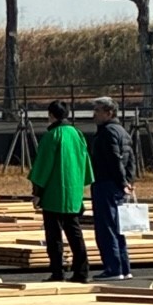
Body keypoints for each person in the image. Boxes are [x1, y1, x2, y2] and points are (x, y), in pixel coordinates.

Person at [28, 101, 92, 283]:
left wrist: (37, 192)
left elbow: (43, 166)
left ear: (51, 115)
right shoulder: (77, 134)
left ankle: (57, 272)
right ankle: (82, 271)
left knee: (54, 235)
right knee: (75, 232)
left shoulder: (52, 136)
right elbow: (85, 162)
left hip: (53, 193)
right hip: (73, 191)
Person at [87, 97, 134, 280]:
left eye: (98, 111)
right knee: (118, 227)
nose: (94, 115)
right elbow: (131, 158)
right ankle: (124, 267)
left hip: (106, 183)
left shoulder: (107, 133)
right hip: (117, 184)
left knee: (106, 227)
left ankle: (113, 268)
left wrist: (122, 181)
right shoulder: (122, 131)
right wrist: (129, 181)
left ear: (109, 113)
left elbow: (114, 159)